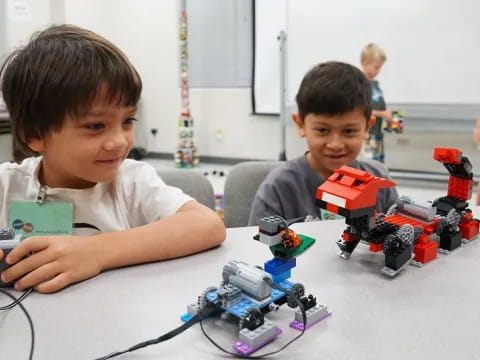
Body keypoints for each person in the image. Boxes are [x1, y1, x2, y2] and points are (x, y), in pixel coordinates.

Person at [0, 25, 225, 293]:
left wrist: (95, 252)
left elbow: (207, 225)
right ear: (34, 133)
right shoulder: (6, 185)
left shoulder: (131, 182)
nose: (120, 141)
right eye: (96, 126)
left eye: (128, 120)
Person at [248, 61, 398, 225]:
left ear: (367, 128)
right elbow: (258, 246)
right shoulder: (279, 187)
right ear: (300, 124)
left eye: (349, 131)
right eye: (322, 130)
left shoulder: (379, 181)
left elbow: (396, 235)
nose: (335, 144)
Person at [360, 43, 393, 163]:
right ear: (365, 63)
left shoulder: (376, 85)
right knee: (369, 167)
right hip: (367, 135)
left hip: (378, 134)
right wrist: (383, 114)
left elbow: (381, 108)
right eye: (376, 67)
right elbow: (358, 110)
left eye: (380, 68)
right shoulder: (359, 83)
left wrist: (390, 120)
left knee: (379, 165)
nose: (378, 71)